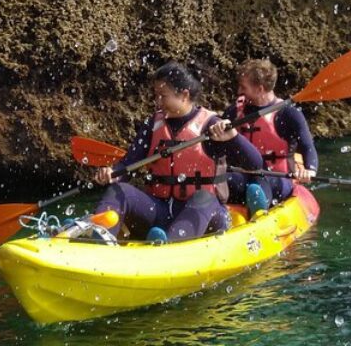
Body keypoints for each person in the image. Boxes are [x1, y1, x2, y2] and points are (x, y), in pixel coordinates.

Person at [93, 61, 265, 243]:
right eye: (156, 96)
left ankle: (168, 249)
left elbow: (255, 165)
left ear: (184, 95)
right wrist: (113, 174)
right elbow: (127, 166)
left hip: (205, 214)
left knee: (203, 197)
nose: (157, 102)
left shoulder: (211, 126)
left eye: (163, 96)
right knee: (120, 190)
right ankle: (99, 238)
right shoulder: (152, 126)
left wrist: (233, 137)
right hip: (160, 210)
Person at [209, 58, 318, 210]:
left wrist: (310, 170)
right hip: (242, 175)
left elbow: (307, 146)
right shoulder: (234, 112)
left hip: (279, 178)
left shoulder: (288, 114)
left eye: (243, 87)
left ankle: (258, 209)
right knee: (215, 180)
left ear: (260, 89)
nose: (239, 91)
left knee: (258, 185)